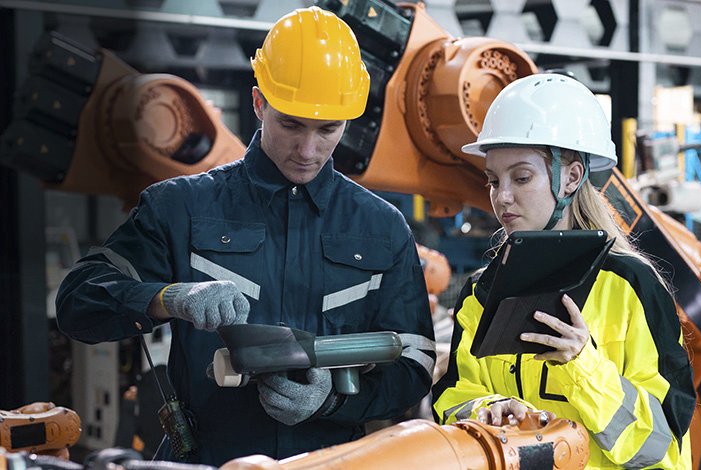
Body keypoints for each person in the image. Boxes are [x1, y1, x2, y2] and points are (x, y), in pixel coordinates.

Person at [56, 6, 435, 466]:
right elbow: (77, 303)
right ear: (259, 104)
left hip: (330, 461)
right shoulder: (181, 208)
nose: (308, 150)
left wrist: (332, 401)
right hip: (207, 457)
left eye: (327, 129)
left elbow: (414, 365)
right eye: (291, 124)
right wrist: (169, 298)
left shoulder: (382, 227)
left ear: (348, 121)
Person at [431, 74, 695, 469]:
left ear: (571, 177)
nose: (502, 197)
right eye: (493, 180)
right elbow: (453, 395)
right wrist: (485, 408)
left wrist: (581, 365)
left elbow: (660, 444)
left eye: (521, 177)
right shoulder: (480, 293)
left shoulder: (630, 287)